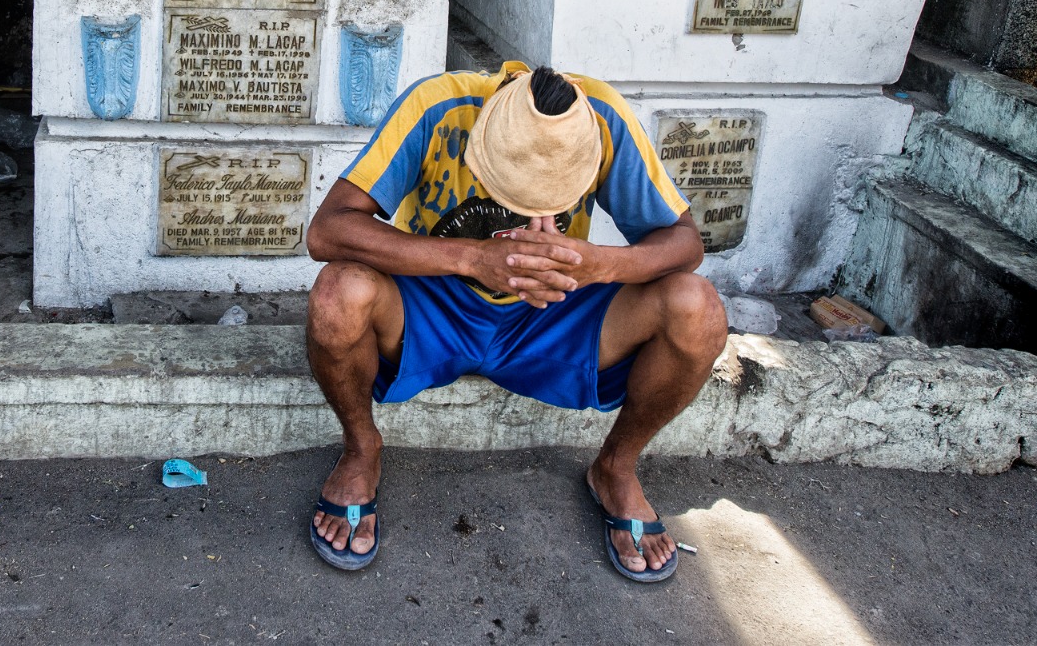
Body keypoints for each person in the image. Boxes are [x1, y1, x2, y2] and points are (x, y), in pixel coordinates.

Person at [304, 61, 728, 581]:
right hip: (435, 304)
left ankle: (616, 468)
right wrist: (471, 258)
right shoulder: (437, 105)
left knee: (697, 308)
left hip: (552, 313)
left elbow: (685, 244)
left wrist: (602, 264)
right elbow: (327, 231)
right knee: (339, 293)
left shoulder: (601, 118)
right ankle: (360, 449)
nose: (535, 216)